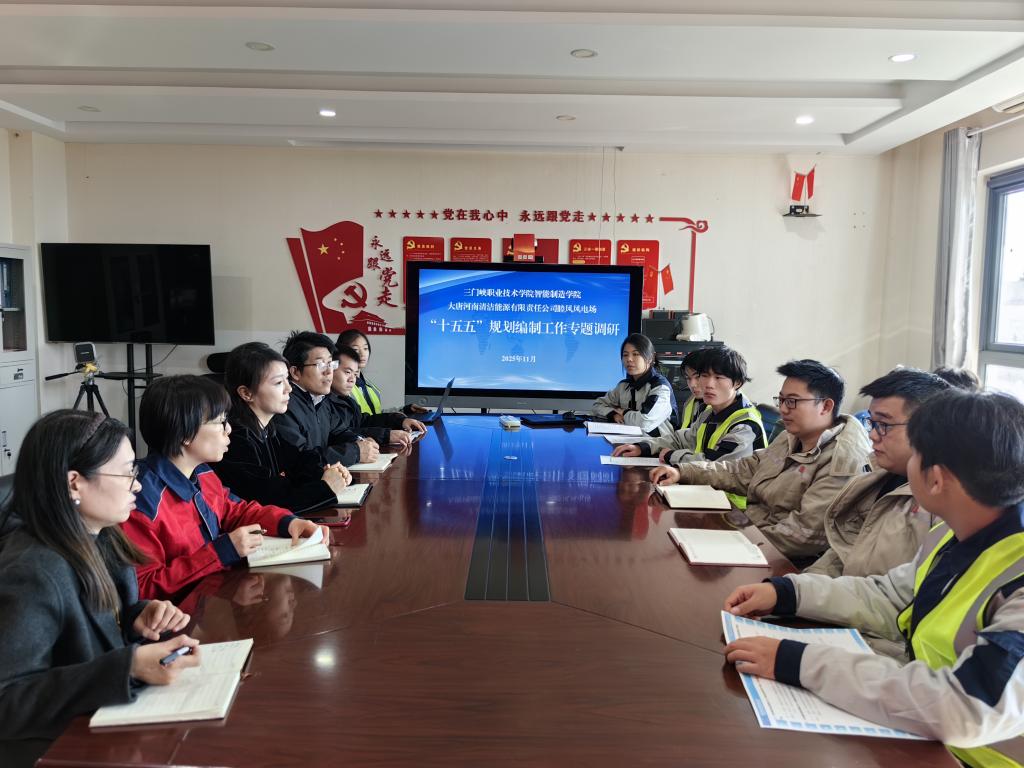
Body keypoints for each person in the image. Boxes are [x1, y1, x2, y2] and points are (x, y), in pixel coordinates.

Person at [723, 389, 1024, 767]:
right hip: (918, 731)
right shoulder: (956, 532)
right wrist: (789, 593)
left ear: (936, 480)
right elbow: (891, 595)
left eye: (916, 455)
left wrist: (801, 663)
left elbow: (967, 705)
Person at [0, 411, 200, 767]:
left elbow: (92, 623)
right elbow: (7, 699)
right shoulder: (33, 571)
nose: (137, 485)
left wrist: (138, 616)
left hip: (106, 726)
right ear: (74, 483)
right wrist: (127, 668)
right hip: (58, 750)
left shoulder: (102, 535)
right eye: (126, 473)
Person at [122, 375, 325, 600]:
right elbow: (144, 587)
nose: (228, 429)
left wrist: (288, 522)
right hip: (181, 614)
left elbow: (236, 512)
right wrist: (221, 552)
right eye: (220, 422)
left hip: (210, 599)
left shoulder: (203, 472)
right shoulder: (140, 499)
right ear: (185, 433)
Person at [651, 359, 870, 558]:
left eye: (792, 401)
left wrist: (729, 540)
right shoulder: (791, 436)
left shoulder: (842, 461)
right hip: (749, 533)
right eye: (781, 400)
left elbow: (801, 536)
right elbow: (744, 469)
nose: (783, 409)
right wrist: (683, 472)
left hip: (783, 559)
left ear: (826, 406)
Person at [806, 368, 951, 580]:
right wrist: (797, 587)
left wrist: (799, 592)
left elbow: (902, 593)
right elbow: (841, 553)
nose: (873, 435)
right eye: (872, 423)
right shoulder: (876, 478)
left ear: (928, 428)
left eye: (883, 424)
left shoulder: (944, 504)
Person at [213, 341, 353, 515]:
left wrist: (330, 472)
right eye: (279, 382)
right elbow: (272, 500)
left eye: (287, 379)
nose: (289, 388)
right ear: (246, 393)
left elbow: (299, 462)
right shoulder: (236, 440)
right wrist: (326, 487)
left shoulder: (267, 428)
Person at [615, 346, 766, 471]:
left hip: (728, 497)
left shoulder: (745, 425)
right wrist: (643, 447)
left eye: (718, 378)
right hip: (704, 489)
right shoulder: (709, 412)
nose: (708, 384)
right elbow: (681, 439)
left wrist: (672, 456)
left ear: (737, 383)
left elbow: (715, 466)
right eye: (704, 375)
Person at [275, 331, 378, 466]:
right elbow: (302, 460)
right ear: (295, 372)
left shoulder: (320, 400)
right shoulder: (284, 406)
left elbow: (339, 432)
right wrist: (356, 452)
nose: (329, 372)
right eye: (321, 365)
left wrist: (360, 441)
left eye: (330, 363)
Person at [330, 345, 427, 449]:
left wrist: (400, 421)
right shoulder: (324, 405)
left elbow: (365, 422)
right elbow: (341, 434)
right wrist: (386, 435)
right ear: (329, 369)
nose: (352, 379)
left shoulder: (347, 401)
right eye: (348, 372)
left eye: (355, 374)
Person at [592, 333, 680, 437]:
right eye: (625, 355)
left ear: (650, 358)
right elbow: (597, 405)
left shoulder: (660, 387)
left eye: (636, 354)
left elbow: (644, 422)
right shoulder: (623, 386)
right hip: (627, 440)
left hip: (657, 444)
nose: (629, 359)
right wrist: (613, 414)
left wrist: (623, 412)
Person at [336, 328, 428, 416]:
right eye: (355, 349)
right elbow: (360, 422)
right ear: (342, 352)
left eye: (365, 348)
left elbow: (376, 415)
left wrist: (405, 410)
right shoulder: (342, 388)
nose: (362, 354)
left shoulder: (371, 387)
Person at [679, 347, 709, 430]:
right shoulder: (690, 402)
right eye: (688, 378)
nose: (692, 384)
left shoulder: (722, 407)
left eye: (698, 377)